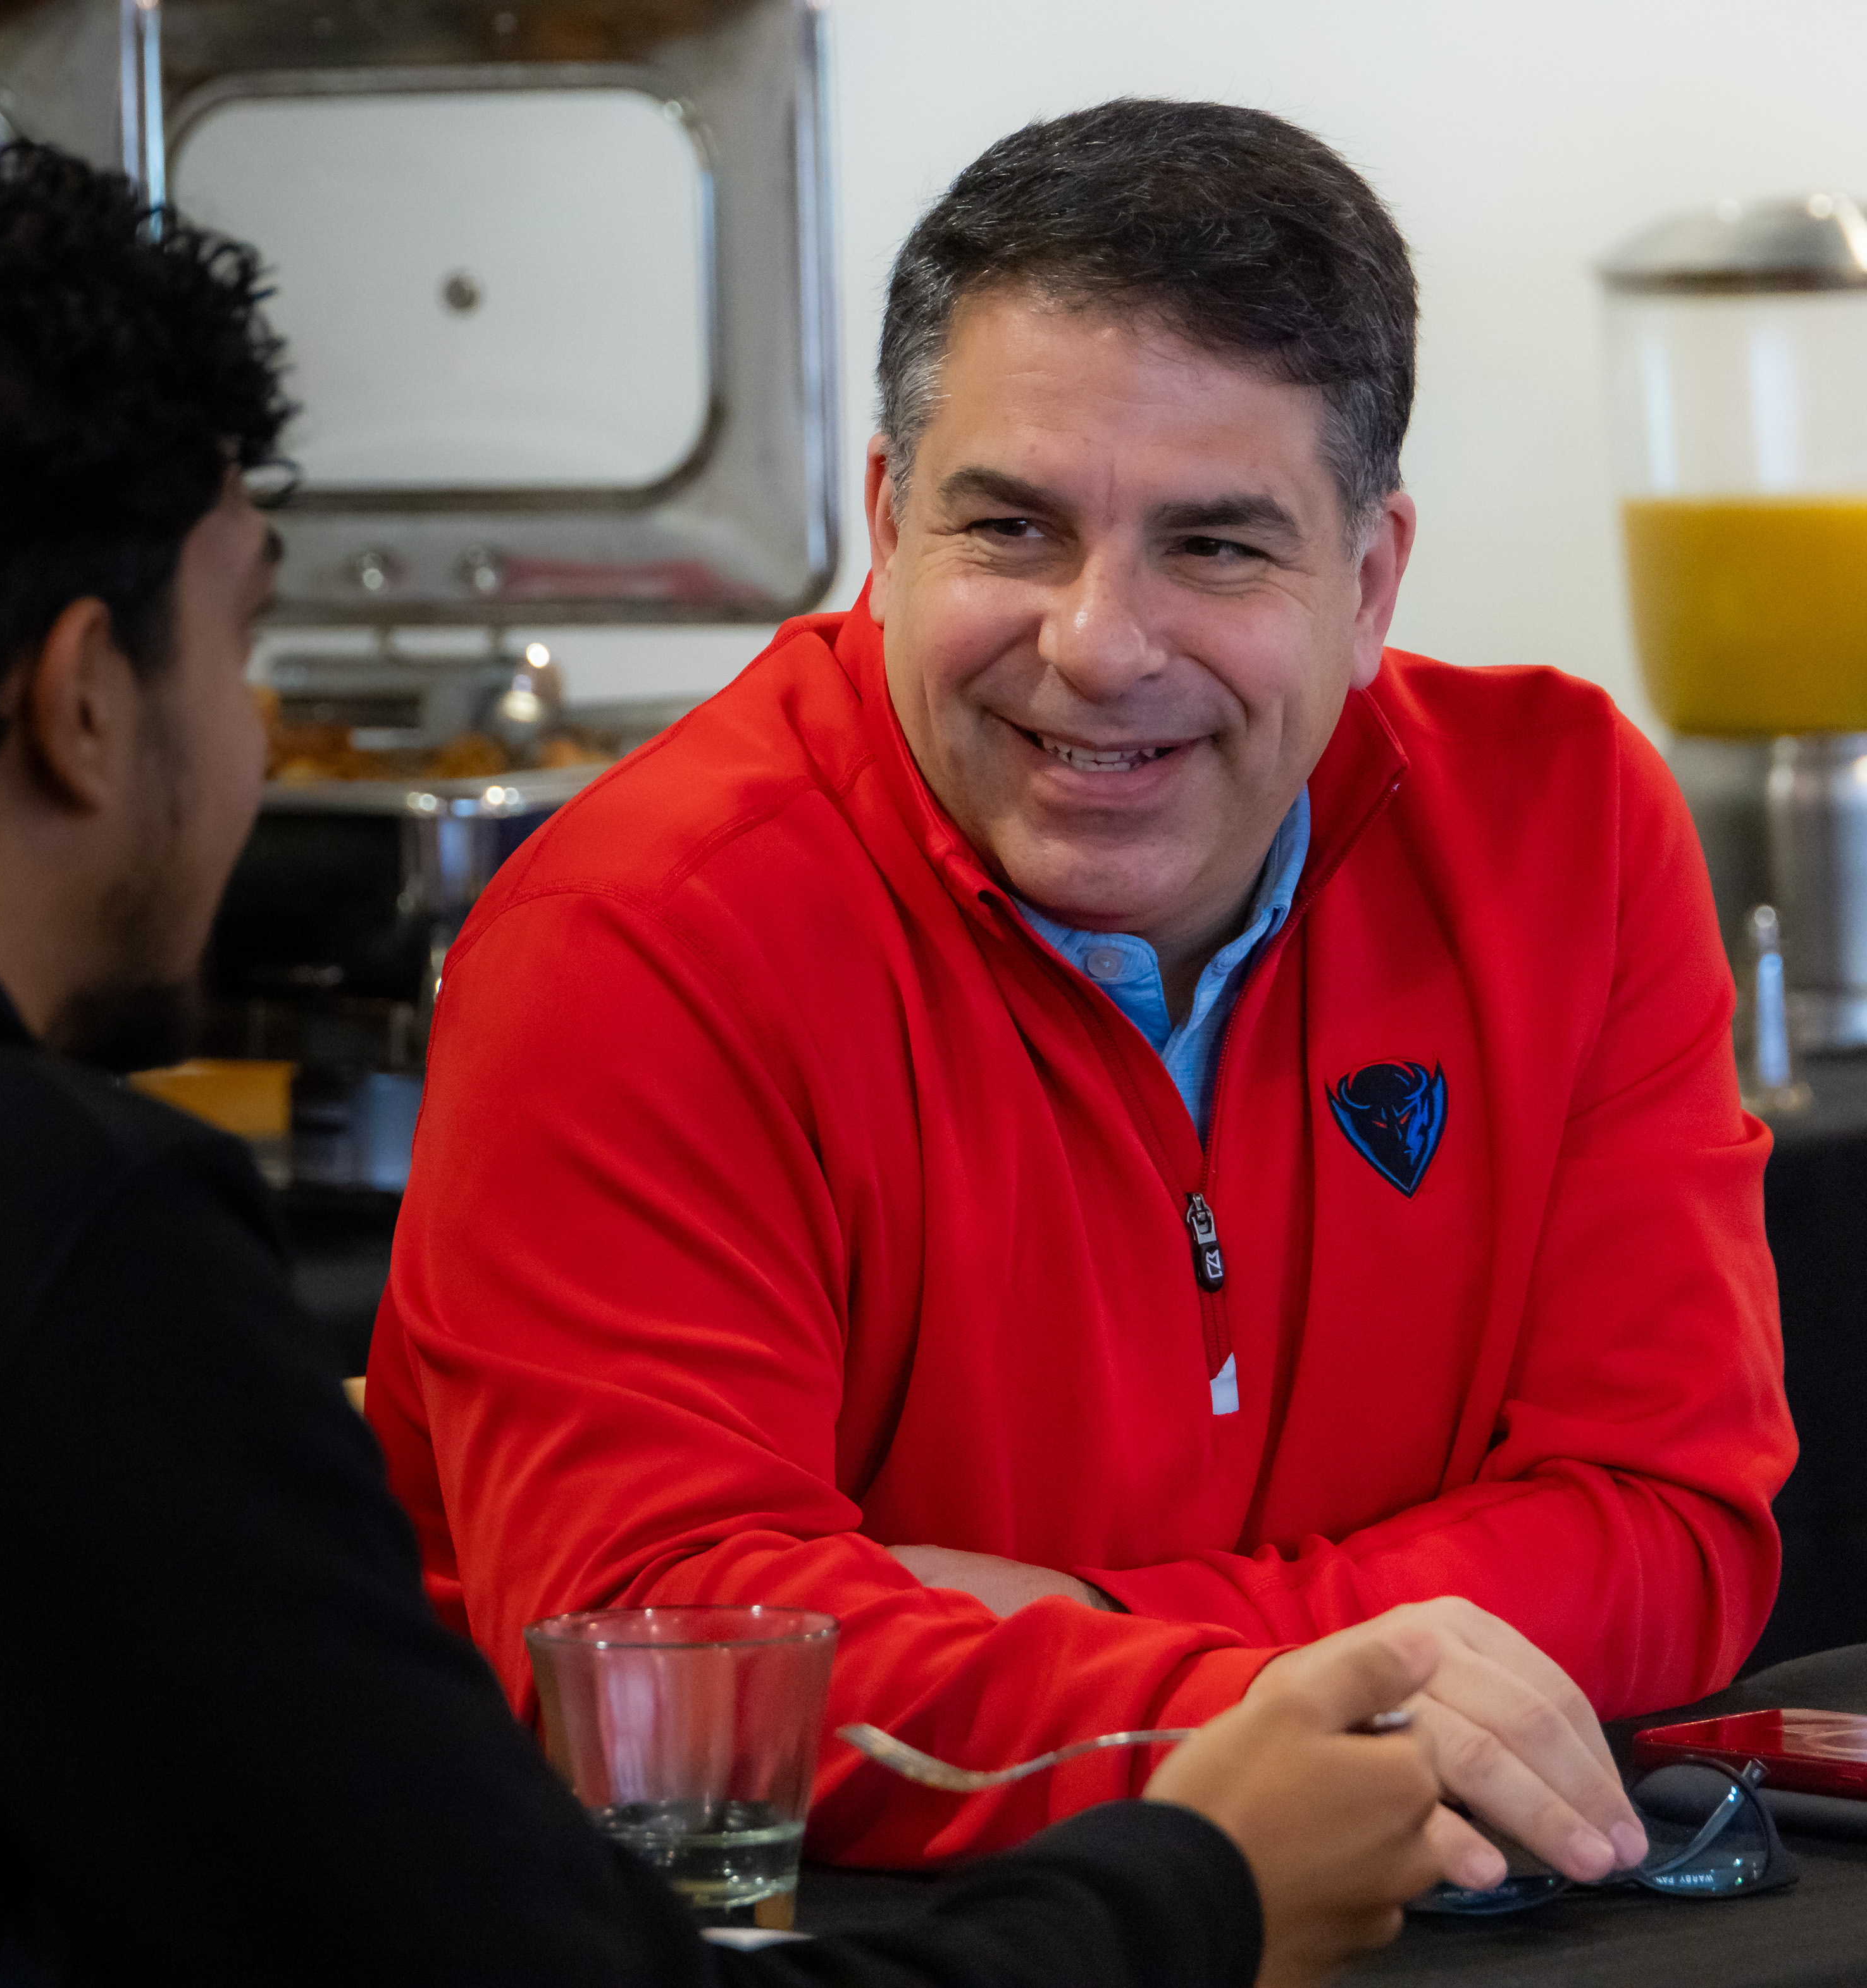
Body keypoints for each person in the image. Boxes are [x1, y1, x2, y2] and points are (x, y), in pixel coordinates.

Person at [0, 144, 1467, 1987]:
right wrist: (1201, 1884)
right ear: (84, 703)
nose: (253, 738)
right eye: (244, 641)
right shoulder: (32, 1241)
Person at [366, 97, 1798, 1874]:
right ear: (888, 528)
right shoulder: (634, 938)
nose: (1100, 645)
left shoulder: (1564, 824)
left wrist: (1077, 1624)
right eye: (1013, 529)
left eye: (1215, 546)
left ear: (1369, 583)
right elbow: (673, 1675)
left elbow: (1671, 1526)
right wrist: (1293, 1701)